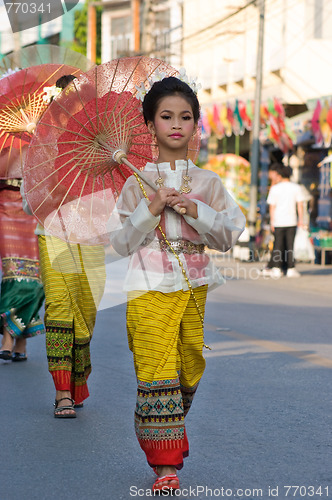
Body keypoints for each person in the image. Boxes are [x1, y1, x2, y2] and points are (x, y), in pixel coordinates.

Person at [109, 76, 245, 492]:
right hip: (148, 286)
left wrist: (194, 208)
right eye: (166, 116)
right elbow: (119, 244)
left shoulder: (209, 183)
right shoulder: (136, 182)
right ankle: (165, 466)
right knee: (156, 371)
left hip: (194, 285)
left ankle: (165, 428)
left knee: (189, 365)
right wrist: (150, 208)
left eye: (185, 117)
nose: (176, 124)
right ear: (150, 125)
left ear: (195, 125)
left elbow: (228, 236)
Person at [22, 74, 106, 418]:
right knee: (59, 308)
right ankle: (62, 393)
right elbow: (31, 203)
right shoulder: (41, 145)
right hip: (54, 233)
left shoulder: (104, 146)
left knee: (86, 313)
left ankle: (76, 379)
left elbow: (114, 194)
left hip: (91, 235)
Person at [0, 158, 45, 361]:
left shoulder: (46, 128)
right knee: (13, 272)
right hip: (6, 202)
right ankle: (9, 337)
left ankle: (20, 338)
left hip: (36, 202)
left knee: (36, 278)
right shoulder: (4, 132)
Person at [267, 163, 306, 278]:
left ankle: (276, 268)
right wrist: (301, 220)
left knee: (277, 245)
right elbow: (300, 205)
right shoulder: (296, 188)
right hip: (291, 220)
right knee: (290, 245)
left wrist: (272, 221)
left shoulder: (275, 188)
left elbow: (272, 207)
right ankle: (290, 268)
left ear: (280, 175)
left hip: (278, 221)